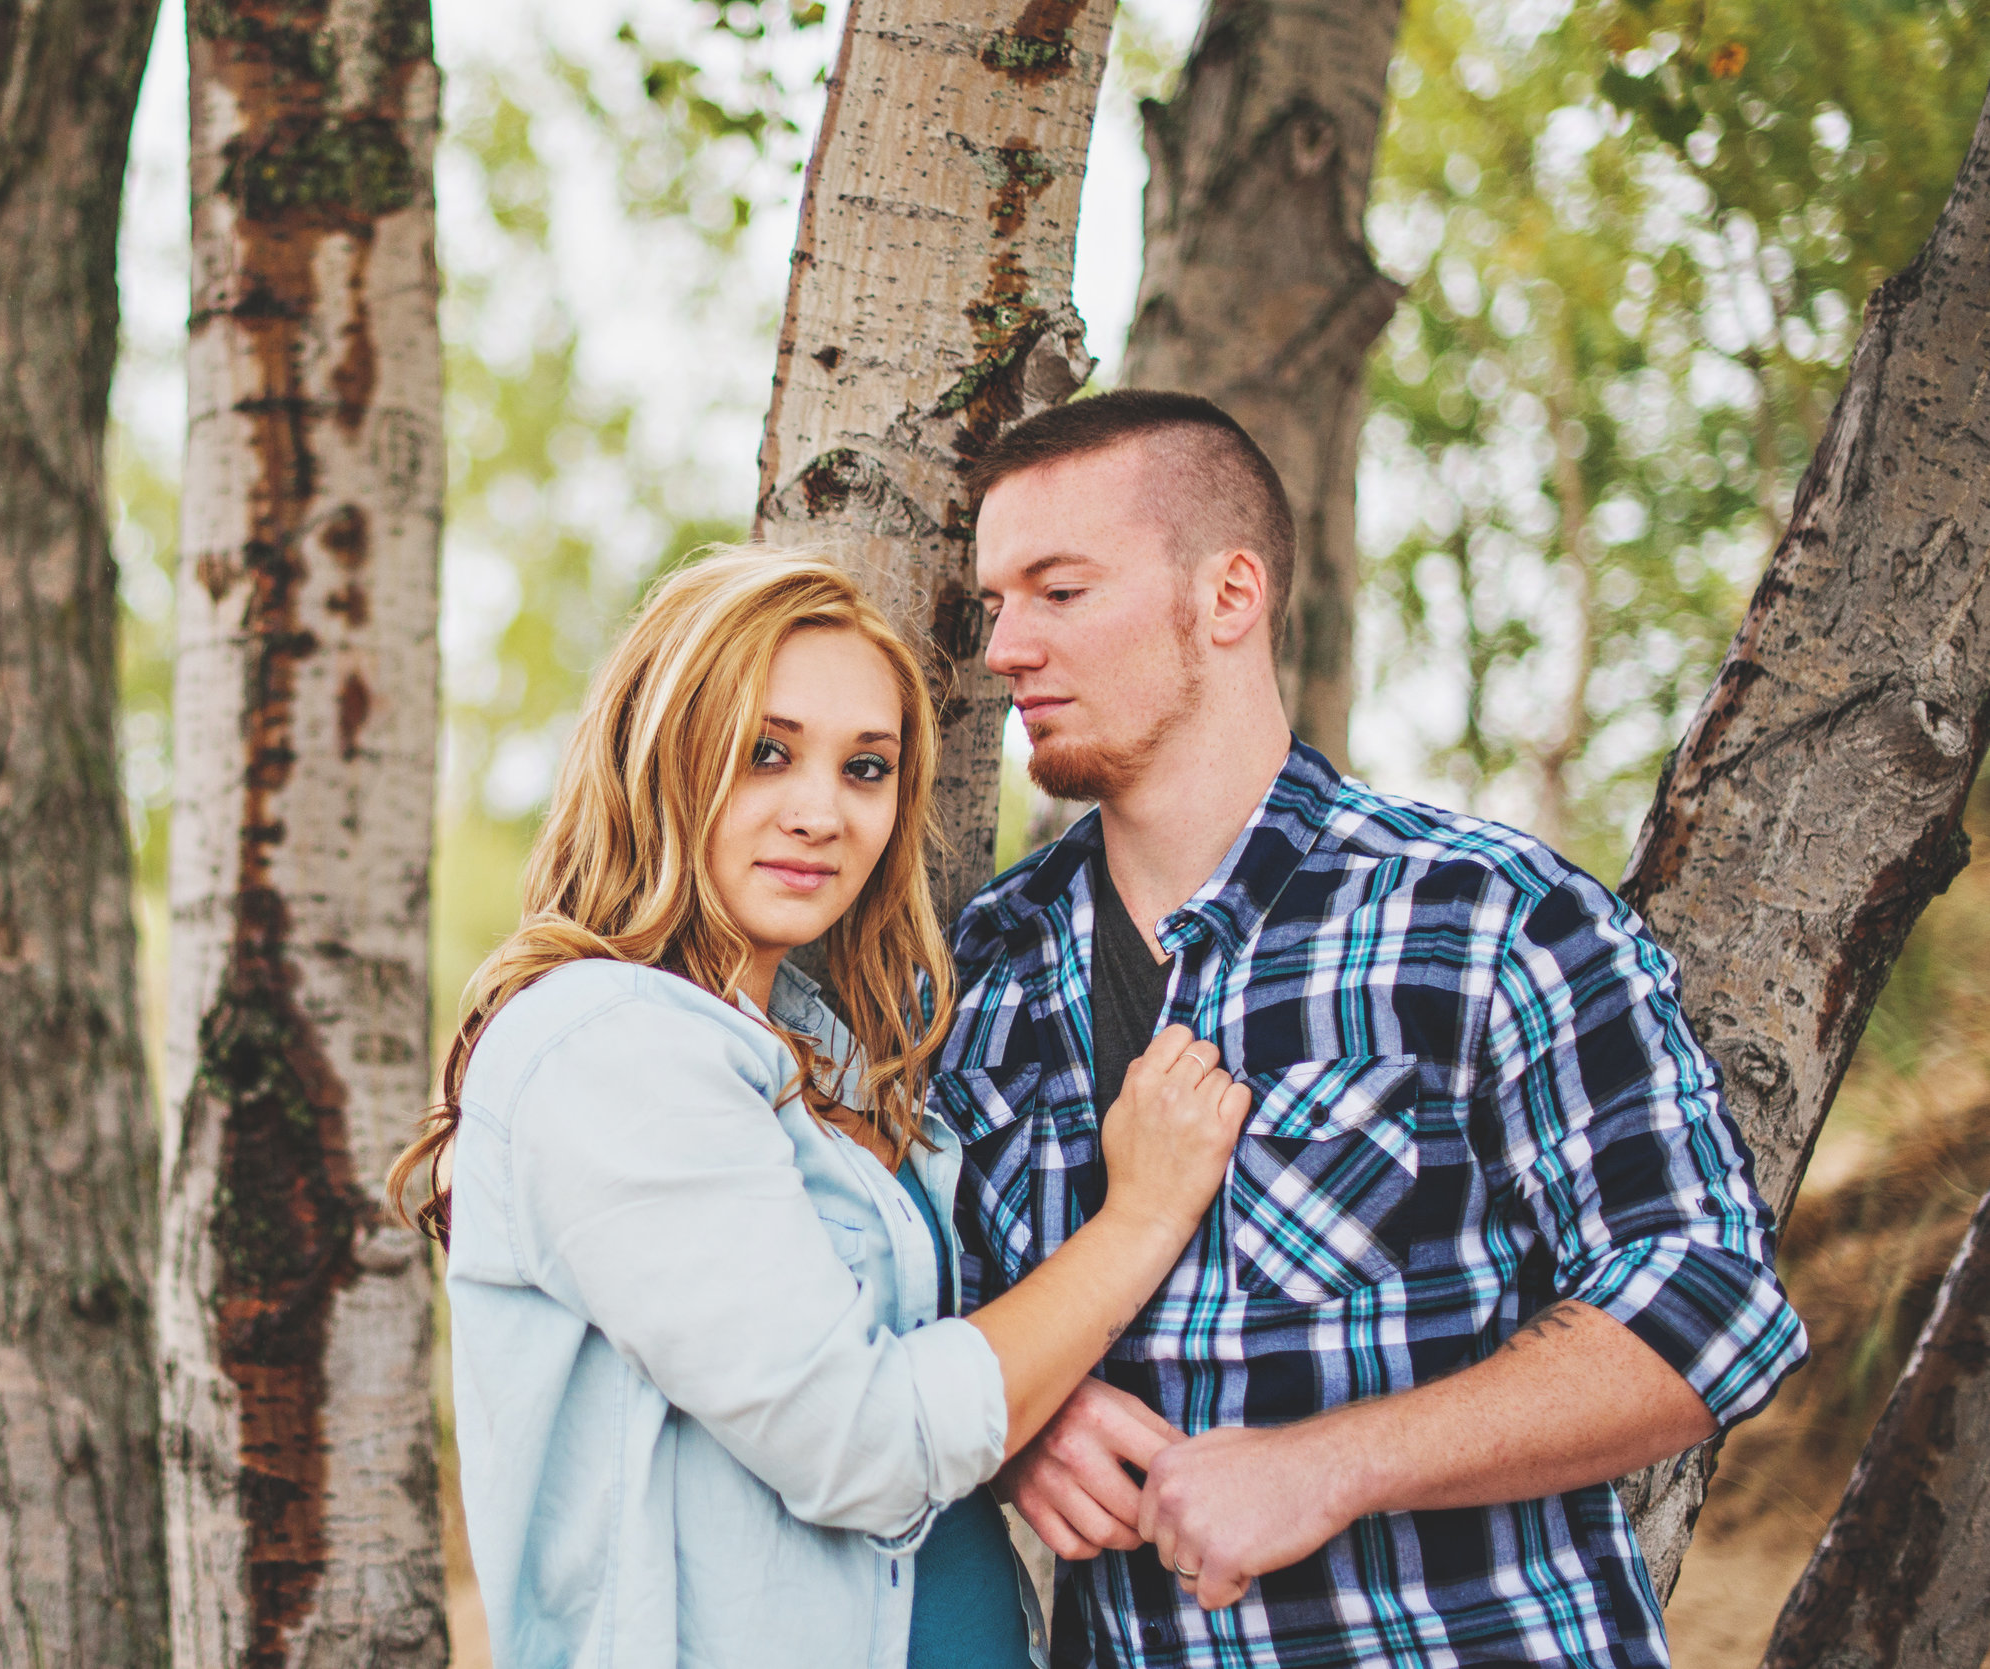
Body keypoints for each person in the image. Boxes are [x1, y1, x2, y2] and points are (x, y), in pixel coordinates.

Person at [938, 391, 1809, 1669]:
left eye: (1058, 593)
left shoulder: (1482, 916)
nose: (1006, 647)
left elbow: (1708, 1301)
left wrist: (1332, 1466)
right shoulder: (986, 967)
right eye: (993, 603)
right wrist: (1013, 1420)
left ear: (1228, 596)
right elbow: (918, 1303)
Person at [391, 549, 1252, 1669]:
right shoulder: (611, 1043)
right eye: (765, 753)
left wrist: (1017, 1427)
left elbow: (881, 1373)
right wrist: (1139, 1220)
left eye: (865, 768)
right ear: (663, 755)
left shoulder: (822, 1045)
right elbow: (867, 1442)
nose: (818, 812)